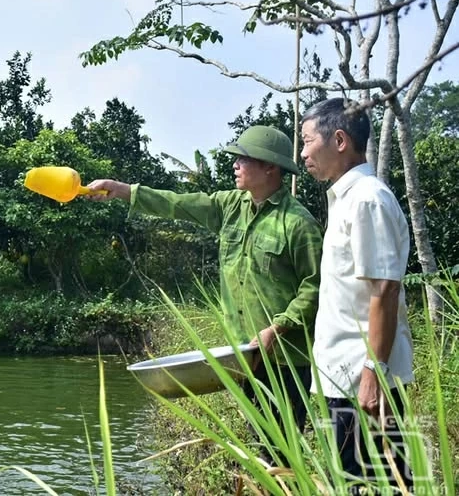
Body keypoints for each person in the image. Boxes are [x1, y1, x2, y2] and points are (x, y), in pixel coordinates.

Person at [86, 125, 323, 465]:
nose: (235, 165)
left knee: (282, 451)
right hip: (243, 354)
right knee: (260, 444)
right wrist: (121, 190)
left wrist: (278, 327)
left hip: (284, 359)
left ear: (270, 167)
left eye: (243, 158)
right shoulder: (229, 206)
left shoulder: (298, 223)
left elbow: (315, 287)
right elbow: (176, 204)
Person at [300, 98, 415, 489]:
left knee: (375, 482)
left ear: (339, 140)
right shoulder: (346, 199)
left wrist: (374, 374)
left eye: (307, 141)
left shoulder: (367, 199)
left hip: (362, 382)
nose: (302, 153)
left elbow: (384, 290)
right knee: (355, 481)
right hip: (345, 378)